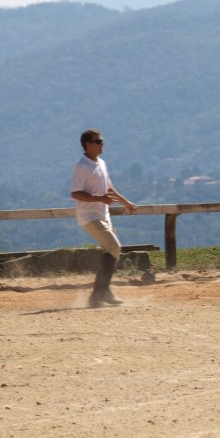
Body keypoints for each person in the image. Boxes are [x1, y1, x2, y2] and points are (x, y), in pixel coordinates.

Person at [71, 129, 137, 308]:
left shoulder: (101, 163)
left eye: (101, 141)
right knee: (114, 247)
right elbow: (76, 193)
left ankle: (98, 295)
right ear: (88, 144)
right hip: (90, 216)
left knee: (111, 251)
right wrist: (100, 199)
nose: (102, 144)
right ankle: (102, 292)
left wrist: (125, 203)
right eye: (98, 141)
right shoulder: (82, 166)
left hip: (103, 215)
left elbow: (109, 188)